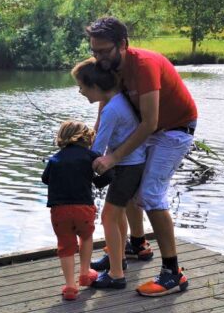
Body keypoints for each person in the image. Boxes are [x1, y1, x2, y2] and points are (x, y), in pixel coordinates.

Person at [85, 16, 198, 297]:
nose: (98, 58)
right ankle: (136, 245)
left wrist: (111, 159)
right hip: (150, 127)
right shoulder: (111, 66)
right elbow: (106, 99)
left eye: (104, 51)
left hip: (173, 130)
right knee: (129, 179)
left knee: (150, 195)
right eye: (94, 51)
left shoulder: (144, 66)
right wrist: (96, 141)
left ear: (123, 44)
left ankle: (173, 274)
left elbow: (149, 123)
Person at [70, 58, 146, 291]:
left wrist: (70, 159)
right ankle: (118, 259)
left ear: (95, 85)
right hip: (130, 164)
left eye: (82, 86)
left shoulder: (112, 109)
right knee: (117, 214)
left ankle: (116, 275)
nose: (80, 91)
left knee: (108, 217)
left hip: (128, 167)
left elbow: (97, 150)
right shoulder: (116, 101)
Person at [41, 120, 112, 300]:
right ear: (86, 138)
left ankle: (71, 286)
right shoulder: (92, 156)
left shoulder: (55, 159)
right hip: (84, 208)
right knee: (86, 237)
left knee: (65, 246)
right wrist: (95, 181)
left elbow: (45, 179)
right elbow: (108, 176)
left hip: (60, 210)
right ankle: (85, 274)